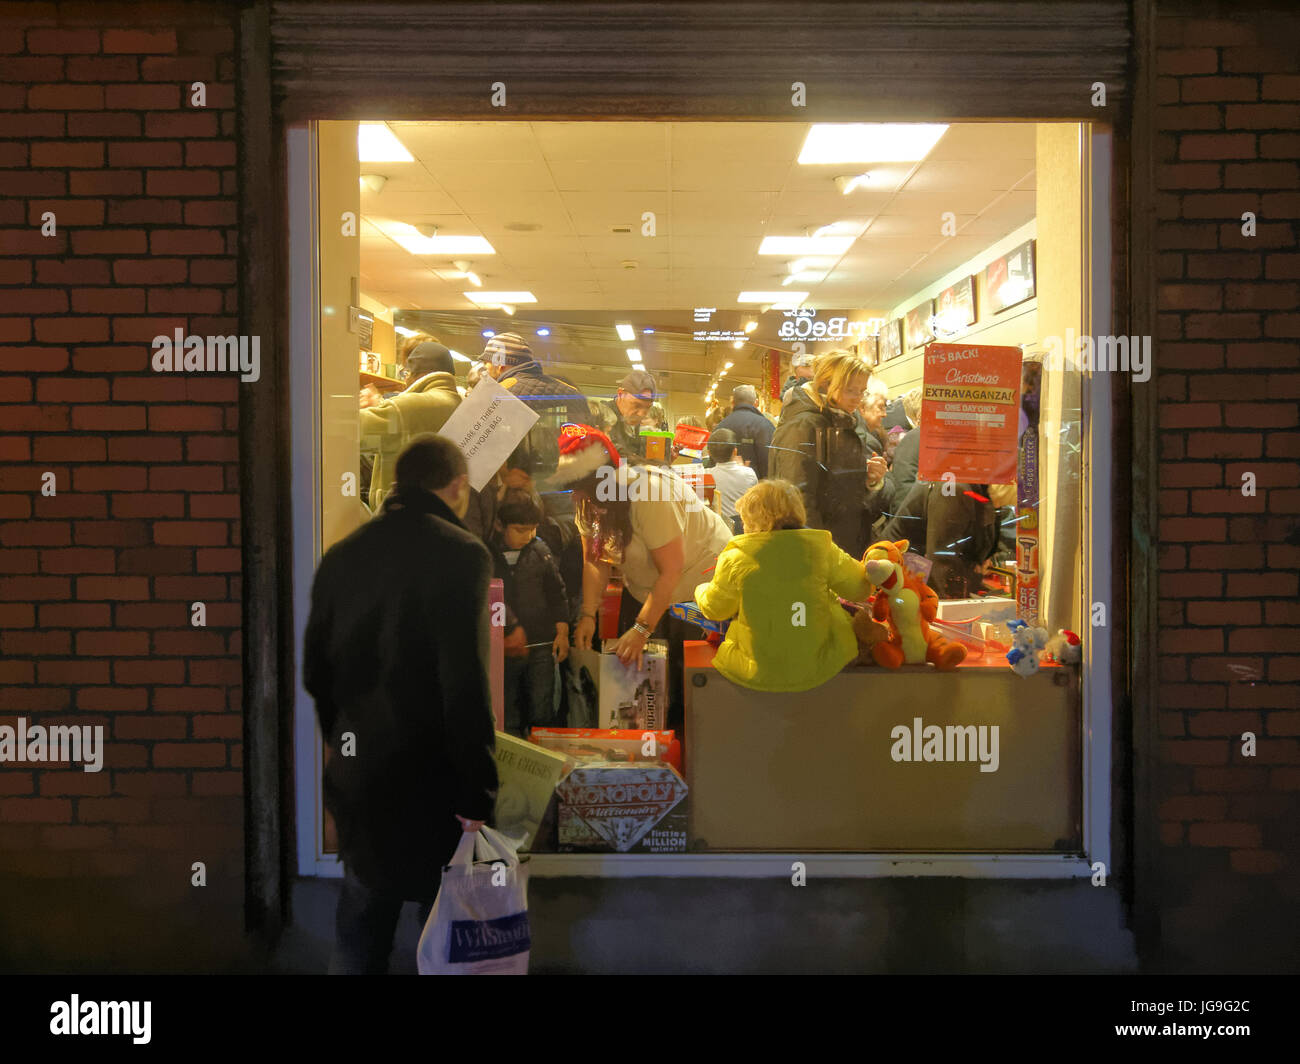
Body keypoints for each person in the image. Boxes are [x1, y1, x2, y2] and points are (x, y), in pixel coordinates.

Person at [303, 435, 497, 975]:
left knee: (362, 925)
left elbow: (317, 672)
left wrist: (345, 745)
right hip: (433, 775)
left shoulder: (344, 554)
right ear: (457, 487)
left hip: (363, 773)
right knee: (446, 934)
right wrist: (477, 788)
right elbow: (463, 682)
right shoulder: (462, 555)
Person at [558, 424, 732, 733]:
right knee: (636, 680)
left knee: (683, 689)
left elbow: (671, 571)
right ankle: (645, 747)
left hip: (696, 586)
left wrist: (641, 628)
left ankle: (683, 751)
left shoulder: (650, 494)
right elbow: (594, 559)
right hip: (646, 585)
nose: (575, 497)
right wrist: (587, 614)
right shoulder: (588, 503)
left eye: (579, 488)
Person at [694, 479, 869, 692]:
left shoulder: (735, 557)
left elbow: (715, 609)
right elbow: (860, 589)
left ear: (752, 520)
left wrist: (699, 590)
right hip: (817, 664)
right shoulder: (821, 549)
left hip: (755, 669)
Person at [768, 350, 889, 559]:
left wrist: (865, 476)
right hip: (818, 551)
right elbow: (798, 497)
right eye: (851, 390)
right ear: (825, 384)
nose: (858, 399)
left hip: (840, 545)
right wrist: (819, 555)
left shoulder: (837, 420)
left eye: (862, 391)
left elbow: (830, 481)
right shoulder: (804, 425)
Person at [489, 490, 570, 737]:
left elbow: (557, 593)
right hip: (503, 648)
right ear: (499, 525)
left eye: (533, 529)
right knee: (506, 708)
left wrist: (562, 632)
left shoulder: (540, 551)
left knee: (541, 706)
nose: (528, 536)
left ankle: (542, 758)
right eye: (520, 530)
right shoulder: (487, 554)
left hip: (541, 644)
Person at [359, 340, 461, 511]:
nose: (405, 380)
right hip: (446, 510)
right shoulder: (460, 404)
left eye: (406, 373)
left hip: (402, 515)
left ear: (417, 374)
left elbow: (348, 431)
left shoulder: (405, 407)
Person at [477, 332, 591, 482]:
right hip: (569, 487)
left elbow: (482, 454)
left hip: (519, 489)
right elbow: (590, 442)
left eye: (486, 362)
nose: (484, 368)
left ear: (500, 366)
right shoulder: (572, 392)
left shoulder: (498, 395)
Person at [880, 481, 1016, 599]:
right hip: (897, 584)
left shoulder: (984, 494)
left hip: (919, 582)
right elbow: (942, 562)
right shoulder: (955, 487)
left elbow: (979, 553)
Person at [590, 368, 657, 460]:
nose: (641, 414)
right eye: (636, 405)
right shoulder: (601, 416)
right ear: (621, 394)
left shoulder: (641, 427)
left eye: (647, 407)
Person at [701, 426, 757, 533]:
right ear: (735, 452)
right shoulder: (749, 473)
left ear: (709, 453)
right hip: (745, 529)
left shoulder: (705, 475)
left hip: (718, 530)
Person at [713, 384, 775, 479]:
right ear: (756, 402)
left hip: (725, 487)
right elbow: (770, 462)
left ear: (733, 402)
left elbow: (714, 461)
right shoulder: (765, 425)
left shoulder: (720, 427)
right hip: (758, 489)